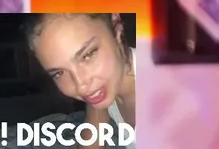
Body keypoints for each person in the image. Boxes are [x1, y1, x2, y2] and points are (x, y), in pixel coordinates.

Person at [26, 13, 137, 149]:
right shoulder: (102, 90)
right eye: (59, 73)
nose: (81, 86)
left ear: (116, 27)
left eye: (88, 55)